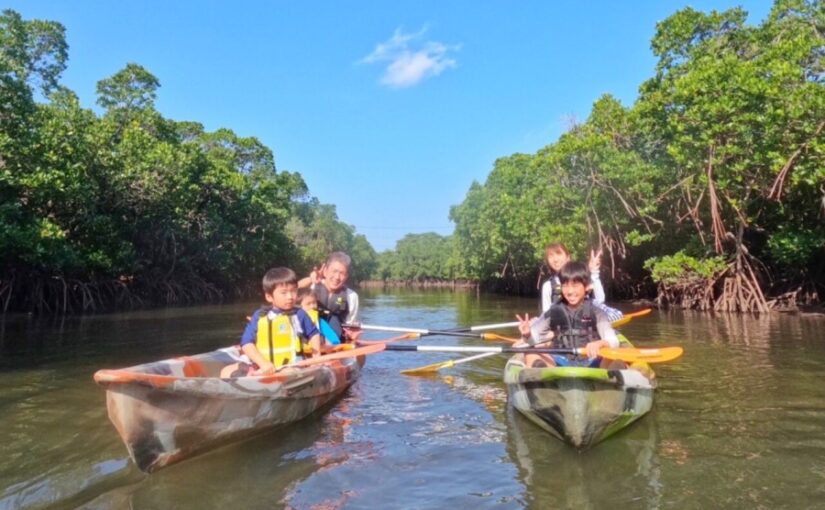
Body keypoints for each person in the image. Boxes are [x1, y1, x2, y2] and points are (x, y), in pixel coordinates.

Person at [221, 267, 322, 377]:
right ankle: (253, 379)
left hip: (291, 366)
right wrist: (263, 364)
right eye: (284, 293)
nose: (290, 297)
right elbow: (246, 343)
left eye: (293, 291)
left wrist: (316, 358)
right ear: (269, 297)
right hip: (262, 365)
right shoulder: (259, 316)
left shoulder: (299, 314)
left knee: (287, 373)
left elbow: (314, 334)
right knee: (226, 371)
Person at [518, 261, 621, 369]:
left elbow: (613, 341)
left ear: (586, 286)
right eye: (565, 285)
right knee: (530, 353)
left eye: (575, 285)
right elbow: (533, 339)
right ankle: (542, 374)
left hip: (592, 359)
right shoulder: (554, 311)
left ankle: (614, 376)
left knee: (612, 357)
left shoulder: (597, 312)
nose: (570, 291)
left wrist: (601, 343)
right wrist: (527, 334)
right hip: (560, 360)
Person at [540, 243, 623, 321]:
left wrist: (594, 271)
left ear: (568, 257)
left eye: (559, 254)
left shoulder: (581, 276)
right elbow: (546, 313)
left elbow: (600, 300)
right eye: (551, 256)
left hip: (587, 318)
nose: (555, 260)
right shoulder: (548, 286)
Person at [299, 252, 360, 341]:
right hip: (309, 340)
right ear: (325, 271)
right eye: (334, 271)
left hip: (335, 343)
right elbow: (292, 289)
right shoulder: (312, 286)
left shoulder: (351, 296)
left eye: (342, 273)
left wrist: (352, 337)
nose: (337, 277)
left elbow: (350, 326)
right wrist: (310, 279)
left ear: (346, 276)